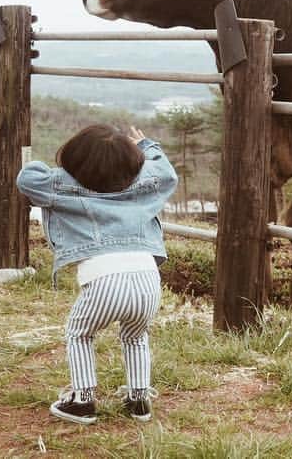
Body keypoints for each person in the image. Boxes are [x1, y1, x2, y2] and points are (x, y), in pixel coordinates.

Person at [16, 123, 177, 425]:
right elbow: (166, 172)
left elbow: (28, 178)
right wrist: (146, 146)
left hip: (104, 279)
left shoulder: (61, 185)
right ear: (132, 162)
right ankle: (139, 399)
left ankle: (83, 401)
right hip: (148, 277)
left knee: (80, 333)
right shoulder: (144, 182)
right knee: (135, 334)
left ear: (75, 161)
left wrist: (64, 171)